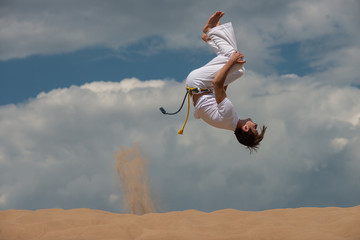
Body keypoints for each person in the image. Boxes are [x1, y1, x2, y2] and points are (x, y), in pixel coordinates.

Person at [186, 11, 267, 152]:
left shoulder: (229, 116)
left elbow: (217, 83)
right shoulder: (228, 122)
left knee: (237, 63)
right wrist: (229, 69)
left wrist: (230, 63)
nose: (255, 124)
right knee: (239, 71)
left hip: (198, 82)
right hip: (197, 86)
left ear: (245, 128)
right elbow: (218, 92)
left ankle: (210, 31)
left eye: (254, 127)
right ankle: (210, 37)